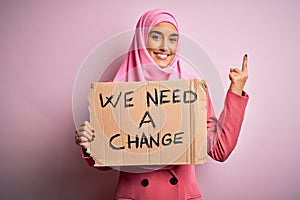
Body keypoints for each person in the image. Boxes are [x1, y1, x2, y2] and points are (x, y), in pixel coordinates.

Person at [75, 9, 249, 200]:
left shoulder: (191, 90)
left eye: (173, 39)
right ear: (141, 39)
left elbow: (219, 149)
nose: (165, 47)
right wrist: (90, 143)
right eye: (156, 37)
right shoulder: (114, 92)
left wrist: (236, 90)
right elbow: (107, 161)